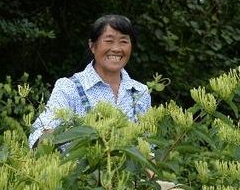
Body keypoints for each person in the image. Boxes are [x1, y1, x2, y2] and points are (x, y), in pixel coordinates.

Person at [29, 14, 150, 148]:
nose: (116, 48)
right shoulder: (69, 87)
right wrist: (79, 132)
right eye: (109, 41)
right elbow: (39, 135)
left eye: (124, 41)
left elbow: (149, 144)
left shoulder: (140, 91)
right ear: (92, 46)